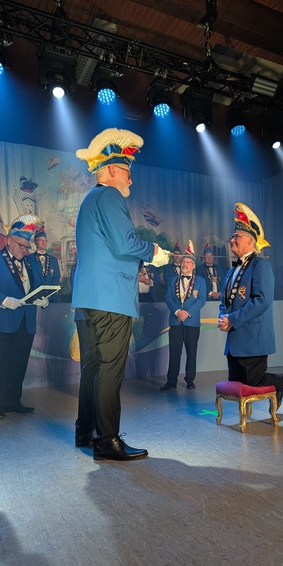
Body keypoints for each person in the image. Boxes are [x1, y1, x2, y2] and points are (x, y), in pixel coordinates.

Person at [72, 127, 170, 461]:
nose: (130, 179)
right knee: (110, 369)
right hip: (110, 299)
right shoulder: (110, 196)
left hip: (91, 298)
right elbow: (125, 243)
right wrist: (154, 252)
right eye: (127, 171)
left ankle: (86, 431)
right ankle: (107, 441)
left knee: (94, 368)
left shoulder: (91, 199)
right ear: (112, 169)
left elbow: (108, 248)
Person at [217, 203, 283, 410]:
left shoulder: (261, 265)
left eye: (237, 236)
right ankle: (281, 388)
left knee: (255, 382)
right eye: (232, 236)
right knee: (238, 384)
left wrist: (232, 319)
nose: (232, 240)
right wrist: (223, 318)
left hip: (253, 338)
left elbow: (262, 300)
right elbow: (225, 301)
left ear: (251, 240)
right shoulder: (231, 271)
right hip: (235, 339)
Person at [0, 214, 50, 420]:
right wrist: (3, 300)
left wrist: (43, 298)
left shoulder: (30, 262)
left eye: (27, 247)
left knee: (18, 363)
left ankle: (13, 401)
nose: (25, 250)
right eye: (22, 246)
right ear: (9, 240)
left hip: (25, 321)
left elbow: (36, 286)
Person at [160, 242, 206, 391]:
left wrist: (187, 313)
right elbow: (168, 298)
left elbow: (201, 300)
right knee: (174, 352)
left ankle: (190, 380)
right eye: (183, 262)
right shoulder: (172, 280)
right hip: (175, 321)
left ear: (193, 266)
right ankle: (171, 381)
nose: (184, 264)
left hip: (192, 322)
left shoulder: (201, 281)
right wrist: (177, 312)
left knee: (191, 352)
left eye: (188, 262)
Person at [29, 224, 61, 301]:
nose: (43, 243)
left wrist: (48, 293)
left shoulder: (53, 260)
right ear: (35, 242)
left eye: (45, 241)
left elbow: (56, 277)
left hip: (51, 297)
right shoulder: (29, 258)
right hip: (34, 296)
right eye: (40, 240)